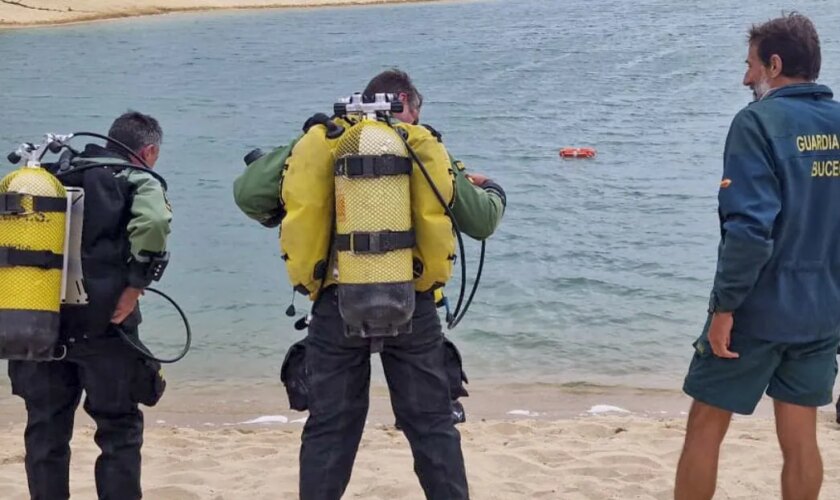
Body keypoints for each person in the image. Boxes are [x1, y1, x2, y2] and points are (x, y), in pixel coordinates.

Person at [234, 68, 505, 499]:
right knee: (431, 426)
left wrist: (302, 143)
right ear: (409, 108)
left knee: (330, 430)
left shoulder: (325, 141)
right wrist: (493, 189)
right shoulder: (422, 145)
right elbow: (482, 221)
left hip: (336, 303)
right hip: (412, 306)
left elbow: (249, 196)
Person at [674, 13, 840, 500]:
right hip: (821, 310)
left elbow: (749, 228)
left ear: (774, 63)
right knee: (801, 436)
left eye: (750, 66)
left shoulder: (758, 122)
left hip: (758, 308)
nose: (746, 78)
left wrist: (725, 308)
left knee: (705, 426)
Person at [7, 111, 172, 500]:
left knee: (46, 430)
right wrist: (135, 285)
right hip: (105, 327)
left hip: (37, 321)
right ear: (148, 151)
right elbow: (153, 224)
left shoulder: (49, 179)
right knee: (118, 430)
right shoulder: (136, 179)